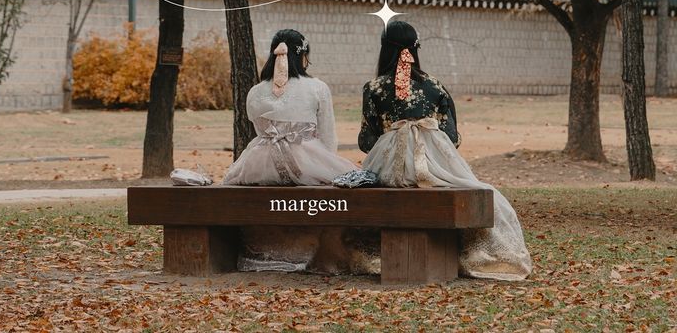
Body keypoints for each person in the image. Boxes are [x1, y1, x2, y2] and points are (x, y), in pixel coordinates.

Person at [359, 20, 533, 281]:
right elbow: (452, 137)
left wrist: (394, 140)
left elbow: (366, 141)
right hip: (434, 168)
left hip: (391, 173)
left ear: (385, 49)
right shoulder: (436, 87)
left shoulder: (374, 88)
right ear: (415, 49)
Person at [222, 28, 357, 186]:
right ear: (302, 56)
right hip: (307, 163)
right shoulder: (317, 88)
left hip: (260, 165)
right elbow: (328, 135)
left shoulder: (255, 92)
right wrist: (327, 163)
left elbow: (259, 131)